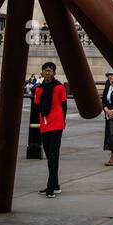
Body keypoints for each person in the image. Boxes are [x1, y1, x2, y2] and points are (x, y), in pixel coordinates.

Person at [33, 61, 67, 197]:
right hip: (45, 123)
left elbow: (64, 106)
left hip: (56, 123)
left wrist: (63, 121)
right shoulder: (39, 89)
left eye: (50, 70)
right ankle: (55, 184)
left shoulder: (59, 87)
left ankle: (50, 188)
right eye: (45, 70)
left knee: (53, 155)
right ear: (42, 73)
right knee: (49, 155)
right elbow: (37, 107)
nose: (48, 73)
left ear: (54, 73)